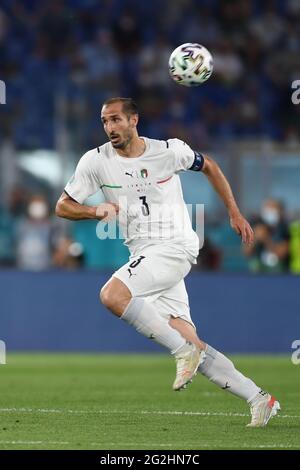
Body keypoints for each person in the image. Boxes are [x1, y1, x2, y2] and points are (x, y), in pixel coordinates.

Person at [56, 97, 280, 427]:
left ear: (134, 120)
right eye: (105, 121)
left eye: (116, 120)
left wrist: (234, 211)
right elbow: (63, 206)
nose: (110, 128)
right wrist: (94, 211)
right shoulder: (95, 161)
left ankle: (181, 352)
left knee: (112, 295)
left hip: (174, 245)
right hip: (145, 254)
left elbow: (211, 167)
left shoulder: (169, 150)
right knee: (191, 340)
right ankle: (260, 398)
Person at [244, 199, 290, 273]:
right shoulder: (256, 225)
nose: (269, 211)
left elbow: (282, 254)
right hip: (258, 270)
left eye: (272, 208)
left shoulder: (284, 228)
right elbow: (246, 252)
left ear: (280, 211)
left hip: (280, 272)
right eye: (267, 208)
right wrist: (255, 238)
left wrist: (266, 239)